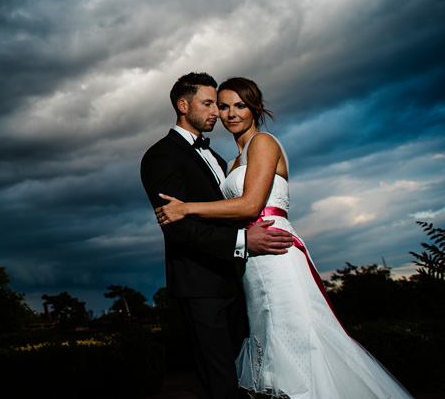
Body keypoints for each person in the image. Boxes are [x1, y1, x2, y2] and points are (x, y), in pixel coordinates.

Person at [155, 77, 414, 399]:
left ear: (255, 108)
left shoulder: (263, 143)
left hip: (275, 251)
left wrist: (187, 208)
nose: (230, 113)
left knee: (298, 340)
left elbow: (250, 204)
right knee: (272, 347)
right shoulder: (231, 161)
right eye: (222, 106)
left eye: (240, 105)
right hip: (251, 261)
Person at [141, 72, 293, 399]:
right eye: (209, 103)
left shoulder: (222, 159)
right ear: (183, 105)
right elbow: (178, 226)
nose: (217, 112)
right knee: (220, 382)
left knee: (248, 376)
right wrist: (242, 242)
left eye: (219, 105)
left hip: (237, 279)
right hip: (200, 286)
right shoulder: (161, 155)